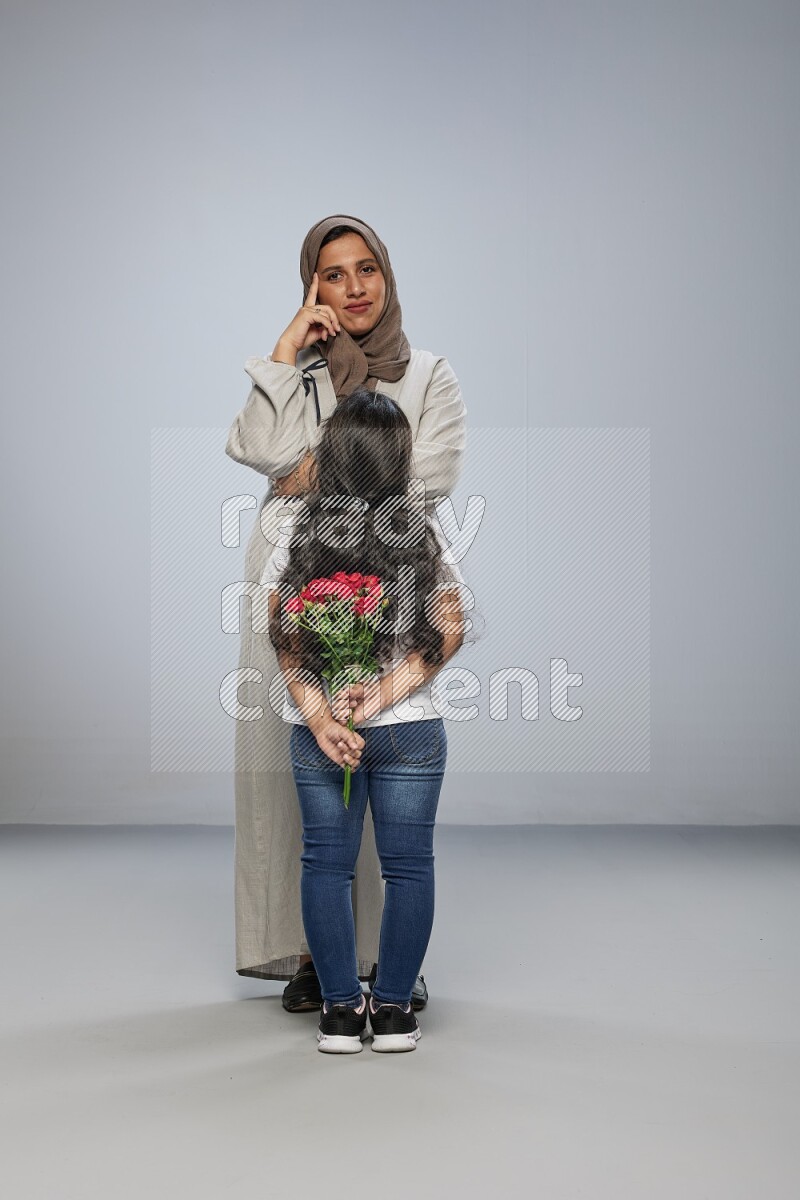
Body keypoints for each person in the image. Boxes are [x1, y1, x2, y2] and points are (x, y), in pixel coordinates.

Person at [225, 213, 467, 1012]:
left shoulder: (429, 373)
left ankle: (379, 958)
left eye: (367, 269)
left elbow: (424, 475)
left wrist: (315, 468)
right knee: (300, 757)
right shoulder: (301, 372)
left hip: (395, 572)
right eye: (333, 275)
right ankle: (311, 955)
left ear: (387, 276)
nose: (354, 287)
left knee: (384, 748)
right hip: (299, 574)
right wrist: (290, 343)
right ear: (313, 286)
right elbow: (258, 448)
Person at [261, 388, 470, 1052]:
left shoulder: (292, 536)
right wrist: (382, 696)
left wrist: (324, 718)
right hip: (410, 731)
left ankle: (342, 1016)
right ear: (396, 461)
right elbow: (451, 626)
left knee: (326, 865)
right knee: (408, 866)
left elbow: (284, 640)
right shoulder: (424, 533)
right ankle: (396, 1014)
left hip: (320, 734)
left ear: (330, 456)